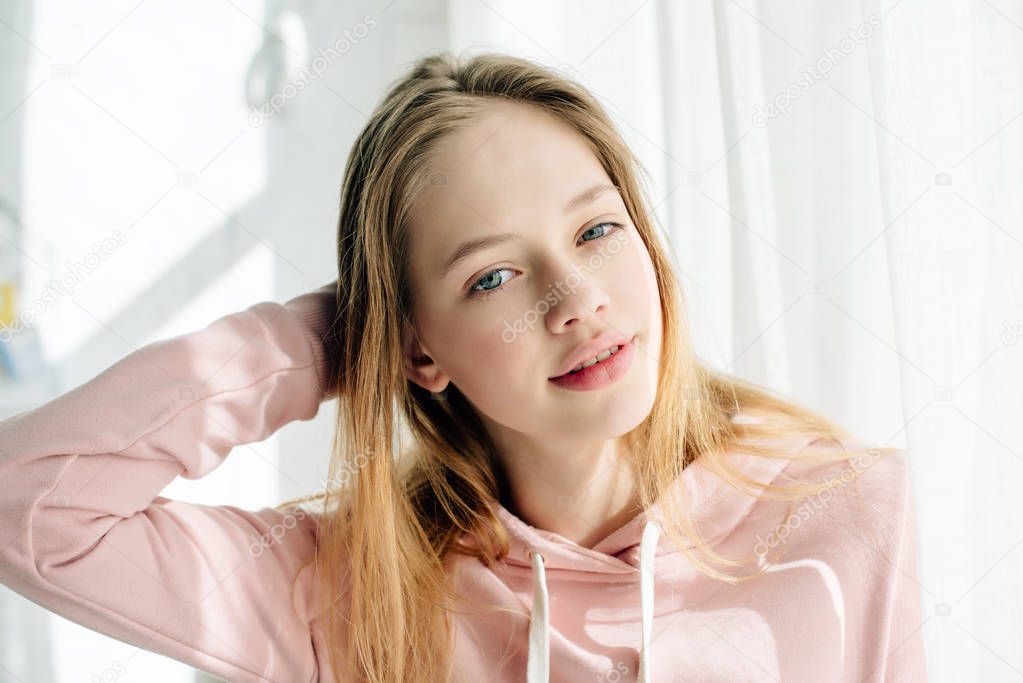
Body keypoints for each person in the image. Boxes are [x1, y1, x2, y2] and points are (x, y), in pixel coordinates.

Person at [0, 51, 927, 683]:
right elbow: (28, 501)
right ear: (417, 347)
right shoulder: (357, 591)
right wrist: (335, 339)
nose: (573, 299)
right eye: (492, 276)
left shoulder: (842, 508)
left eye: (597, 230)